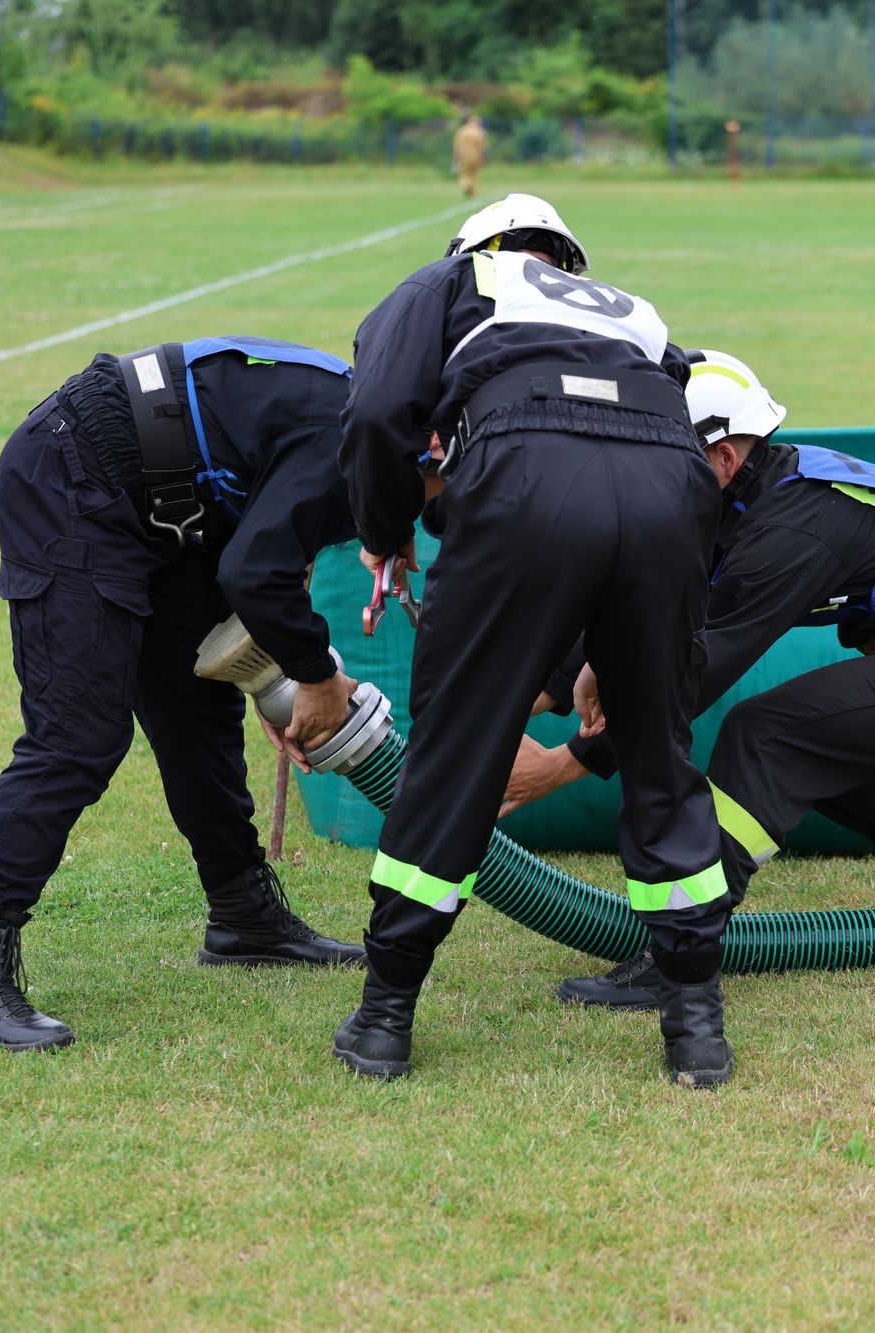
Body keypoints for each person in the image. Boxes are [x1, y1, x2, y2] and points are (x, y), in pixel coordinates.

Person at [508, 351, 875, 1010]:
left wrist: (565, 764)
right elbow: (641, 603)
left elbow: (690, 668)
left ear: (724, 457)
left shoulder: (791, 526)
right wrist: (527, 698)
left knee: (767, 734)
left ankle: (681, 951)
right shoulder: (736, 499)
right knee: (818, 733)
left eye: (660, 457)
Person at [335, 193, 735, 1087]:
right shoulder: (633, 309)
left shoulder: (452, 278)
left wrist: (384, 523)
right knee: (659, 755)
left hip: (525, 467)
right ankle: (696, 1027)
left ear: (479, 245)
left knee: (455, 751)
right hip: (670, 485)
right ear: (568, 258)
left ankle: (384, 1016)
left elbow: (375, 410)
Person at [0, 336, 374, 1053]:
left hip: (170, 509)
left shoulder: (374, 415)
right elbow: (254, 571)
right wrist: (315, 677)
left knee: (197, 705)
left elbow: (260, 544)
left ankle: (242, 915)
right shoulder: (354, 439)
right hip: (74, 475)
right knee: (77, 737)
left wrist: (268, 672)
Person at [451, 113, 488, 199]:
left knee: (464, 174)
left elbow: (457, 146)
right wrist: (483, 157)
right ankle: (471, 190)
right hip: (476, 157)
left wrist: (456, 158)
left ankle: (466, 186)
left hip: (463, 157)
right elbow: (483, 147)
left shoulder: (462, 131)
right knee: (474, 175)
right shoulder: (479, 132)